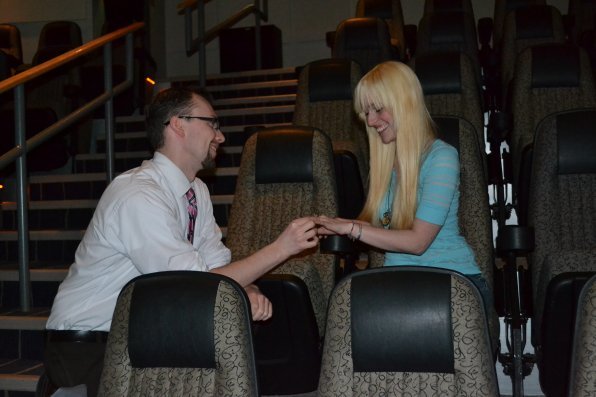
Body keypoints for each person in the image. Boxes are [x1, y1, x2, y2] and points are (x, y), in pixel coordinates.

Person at [44, 86, 318, 396]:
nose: (220, 136)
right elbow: (193, 285)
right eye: (212, 123)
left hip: (140, 337)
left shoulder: (195, 191)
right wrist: (281, 249)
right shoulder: (137, 194)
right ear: (178, 124)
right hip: (88, 349)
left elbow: (218, 266)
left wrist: (249, 288)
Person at [315, 61, 492, 306]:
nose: (371, 121)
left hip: (450, 283)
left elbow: (418, 243)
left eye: (377, 109)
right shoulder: (386, 164)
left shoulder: (442, 157)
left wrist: (352, 228)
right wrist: (338, 225)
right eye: (366, 113)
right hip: (400, 282)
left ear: (404, 104)